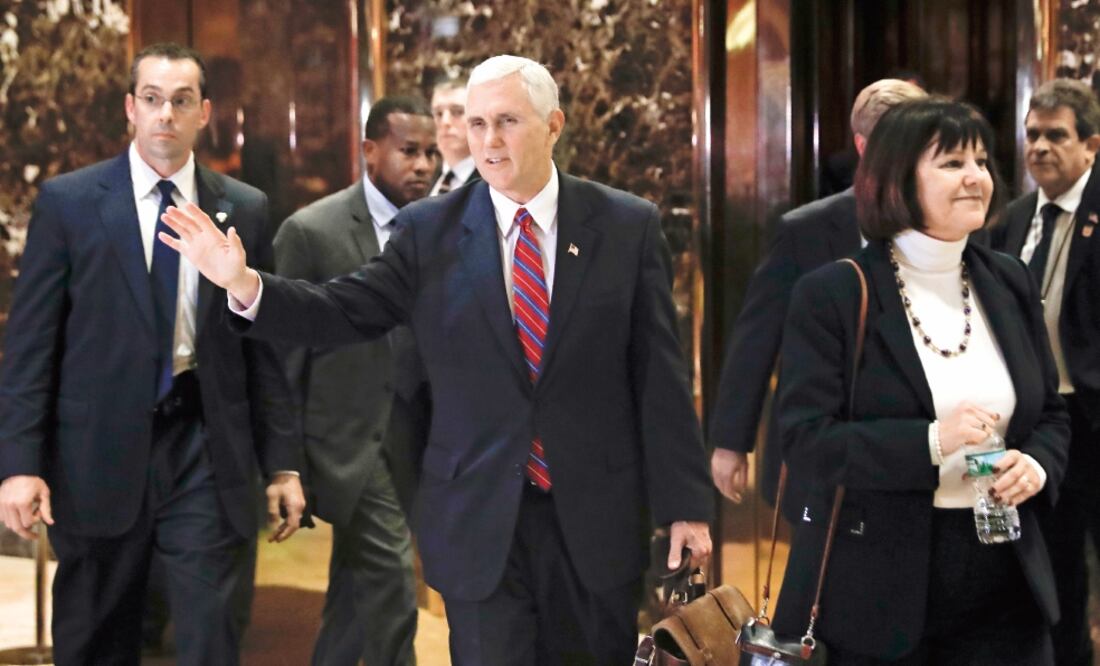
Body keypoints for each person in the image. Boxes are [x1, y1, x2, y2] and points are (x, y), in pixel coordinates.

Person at [160, 54, 714, 665]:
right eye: (476, 125)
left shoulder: (625, 226)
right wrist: (245, 284)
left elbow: (660, 375)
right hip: (479, 523)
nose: (489, 141)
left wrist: (685, 504)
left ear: (554, 125)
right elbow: (342, 310)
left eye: (507, 121)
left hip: (594, 518)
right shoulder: (431, 230)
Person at [0, 43, 306, 665]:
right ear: (131, 109)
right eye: (153, 99)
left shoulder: (241, 207)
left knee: (209, 637)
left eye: (182, 100)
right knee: (95, 637)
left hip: (203, 443)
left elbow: (262, 351)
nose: (166, 113)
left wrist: (283, 464)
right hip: (97, 454)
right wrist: (20, 464)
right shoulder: (70, 203)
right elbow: (31, 347)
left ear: (203, 114)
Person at [772, 99, 1070, 664]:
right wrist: (932, 441)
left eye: (981, 161)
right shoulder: (834, 294)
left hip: (1006, 578)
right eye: (952, 162)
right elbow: (808, 442)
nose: (975, 177)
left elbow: (1050, 412)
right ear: (896, 177)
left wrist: (1035, 465)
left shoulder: (1007, 280)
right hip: (880, 592)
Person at [710, 79, 926, 514]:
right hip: (824, 454)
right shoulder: (804, 230)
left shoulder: (948, 222)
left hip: (919, 449)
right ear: (863, 146)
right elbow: (758, 337)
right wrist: (731, 442)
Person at [274, 95, 437, 666]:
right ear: (371, 151)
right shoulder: (311, 232)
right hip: (344, 446)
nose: (423, 166)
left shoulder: (439, 230)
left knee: (353, 592)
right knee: (393, 583)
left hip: (413, 441)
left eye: (431, 153)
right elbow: (282, 363)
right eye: (408, 151)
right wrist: (285, 464)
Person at [991, 78, 1100, 666]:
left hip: (1095, 415)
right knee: (1055, 579)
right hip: (1041, 429)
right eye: (1032, 135)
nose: (1039, 147)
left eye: (1056, 136)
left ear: (1092, 146)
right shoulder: (1014, 217)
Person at [429, 77, 481, 195]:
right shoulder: (425, 178)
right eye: (438, 113)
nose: (445, 122)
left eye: (457, 112)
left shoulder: (493, 181)